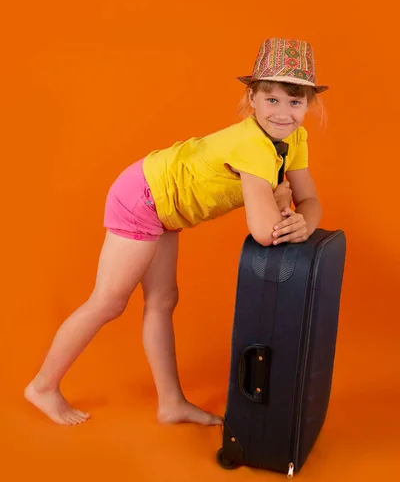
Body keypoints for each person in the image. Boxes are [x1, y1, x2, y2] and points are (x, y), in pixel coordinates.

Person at [25, 37, 327, 426]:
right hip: (144, 196)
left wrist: (305, 219)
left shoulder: (293, 139)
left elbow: (310, 200)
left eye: (295, 102)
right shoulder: (253, 145)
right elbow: (265, 232)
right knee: (109, 301)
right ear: (251, 99)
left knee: (164, 300)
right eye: (272, 100)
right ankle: (43, 385)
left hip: (169, 208)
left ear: (308, 105)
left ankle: (171, 404)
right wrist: (281, 197)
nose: (284, 113)